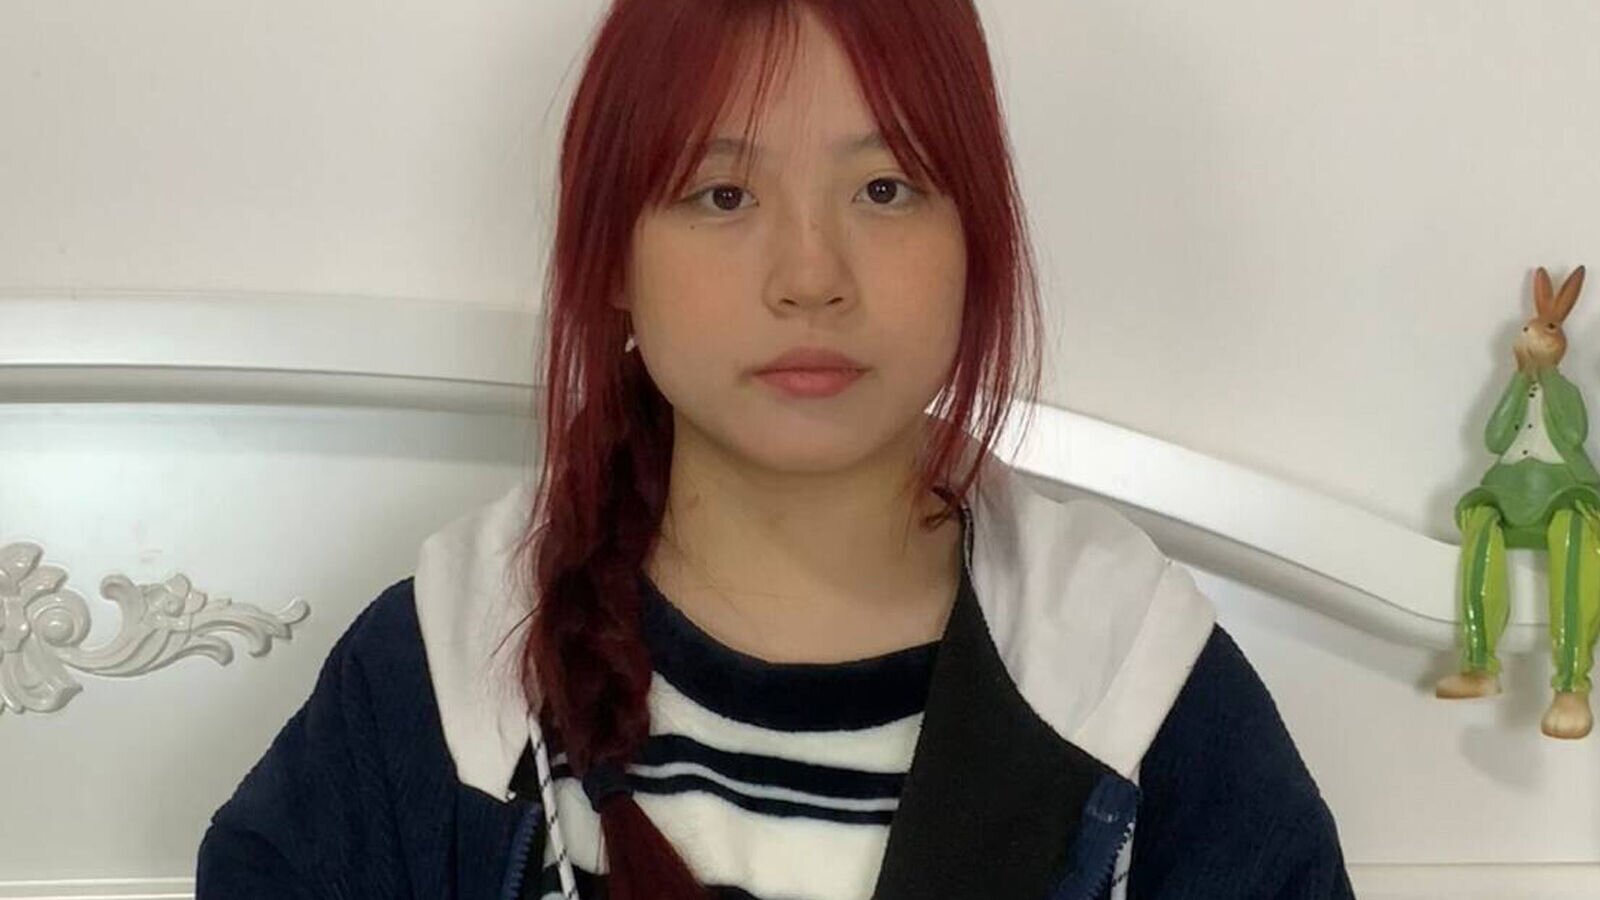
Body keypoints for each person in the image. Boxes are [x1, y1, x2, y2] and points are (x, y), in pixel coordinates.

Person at [196, 1, 1354, 897]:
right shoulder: (448, 671)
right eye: (721, 195)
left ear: (975, 242)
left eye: (885, 188)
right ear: (613, 259)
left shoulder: (1130, 679)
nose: (810, 276)